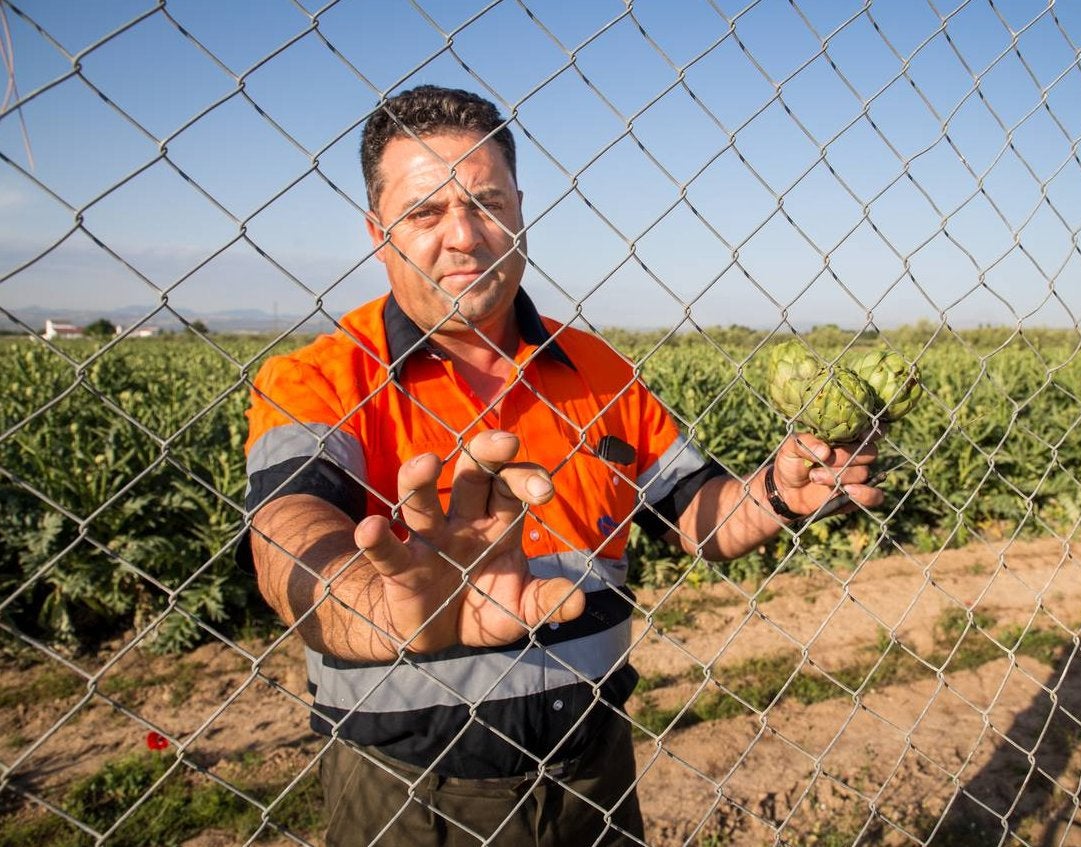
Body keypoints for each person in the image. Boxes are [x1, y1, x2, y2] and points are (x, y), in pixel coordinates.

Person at [241, 84, 884, 847]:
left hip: (594, 774)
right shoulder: (320, 378)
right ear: (379, 231)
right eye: (425, 213)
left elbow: (696, 514)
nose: (464, 236)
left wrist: (778, 491)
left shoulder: (598, 368)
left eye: (485, 203)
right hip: (411, 793)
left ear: (520, 210)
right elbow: (286, 529)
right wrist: (381, 612)